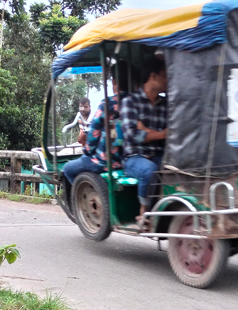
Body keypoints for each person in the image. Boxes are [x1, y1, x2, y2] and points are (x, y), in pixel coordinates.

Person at [121, 58, 167, 224]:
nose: (168, 79)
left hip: (158, 153)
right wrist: (161, 134)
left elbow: (174, 131)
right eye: (165, 75)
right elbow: (133, 135)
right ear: (153, 76)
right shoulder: (130, 102)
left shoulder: (165, 104)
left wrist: (146, 131)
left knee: (178, 168)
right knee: (150, 171)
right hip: (134, 157)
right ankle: (144, 211)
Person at [62, 74, 128, 188]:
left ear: (114, 82)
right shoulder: (138, 102)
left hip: (107, 161)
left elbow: (93, 136)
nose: (82, 109)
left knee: (68, 168)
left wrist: (87, 151)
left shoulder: (108, 104)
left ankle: (84, 199)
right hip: (128, 159)